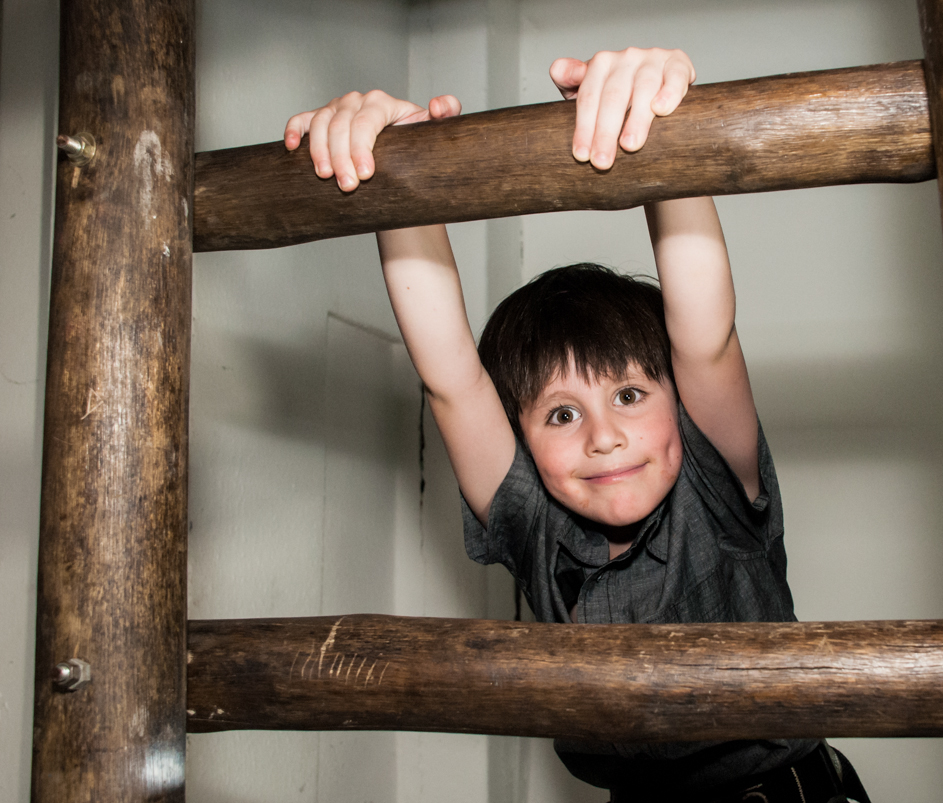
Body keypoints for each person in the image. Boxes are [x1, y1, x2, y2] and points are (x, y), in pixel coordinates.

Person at [285, 47, 870, 803]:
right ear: (523, 437)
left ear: (678, 401)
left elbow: (705, 334)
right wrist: (389, 171)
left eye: (629, 394)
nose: (602, 435)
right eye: (563, 413)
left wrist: (659, 124)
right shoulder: (534, 518)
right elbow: (451, 377)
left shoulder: (712, 478)